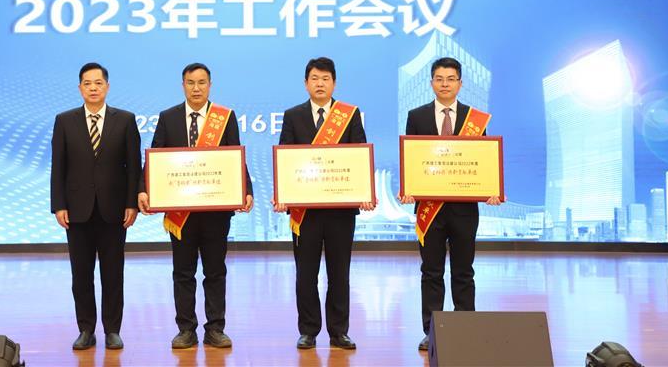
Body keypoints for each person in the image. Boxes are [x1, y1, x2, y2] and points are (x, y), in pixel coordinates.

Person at [138, 63, 253, 349]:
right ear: (183, 86)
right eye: (191, 83)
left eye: (202, 82)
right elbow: (155, 158)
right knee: (183, 273)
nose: (196, 88)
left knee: (215, 272)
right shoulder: (168, 117)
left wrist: (246, 190)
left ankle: (215, 328)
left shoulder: (225, 118)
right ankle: (186, 329)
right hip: (181, 212)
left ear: (210, 85)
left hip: (216, 211)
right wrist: (143, 189)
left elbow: (235, 156)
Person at [399, 56, 502, 353]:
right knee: (431, 272)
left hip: (464, 210)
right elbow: (412, 158)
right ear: (431, 82)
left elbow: (481, 161)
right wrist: (408, 189)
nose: (445, 84)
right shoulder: (416, 116)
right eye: (439, 79)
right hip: (429, 210)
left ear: (460, 83)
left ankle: (465, 328)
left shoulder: (474, 119)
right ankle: (432, 331)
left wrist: (490, 190)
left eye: (451, 79)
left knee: (463, 271)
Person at [273, 57, 375, 350]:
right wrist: (282, 193)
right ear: (306, 83)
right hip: (305, 212)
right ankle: (308, 330)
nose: (320, 84)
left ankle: (338, 331)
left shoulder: (349, 115)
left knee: (339, 273)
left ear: (334, 83)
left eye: (325, 78)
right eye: (315, 78)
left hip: (341, 211)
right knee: (305, 274)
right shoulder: (293, 116)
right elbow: (286, 157)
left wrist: (365, 190)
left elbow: (359, 156)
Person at [50, 62, 141, 351]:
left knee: (113, 274)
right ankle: (86, 329)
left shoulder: (125, 120)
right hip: (77, 210)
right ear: (80, 88)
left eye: (98, 83)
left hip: (114, 210)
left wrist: (132, 203)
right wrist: (58, 205)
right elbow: (58, 167)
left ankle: (112, 330)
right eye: (87, 83)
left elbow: (133, 167)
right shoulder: (64, 121)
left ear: (107, 87)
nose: (93, 88)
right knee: (81, 275)